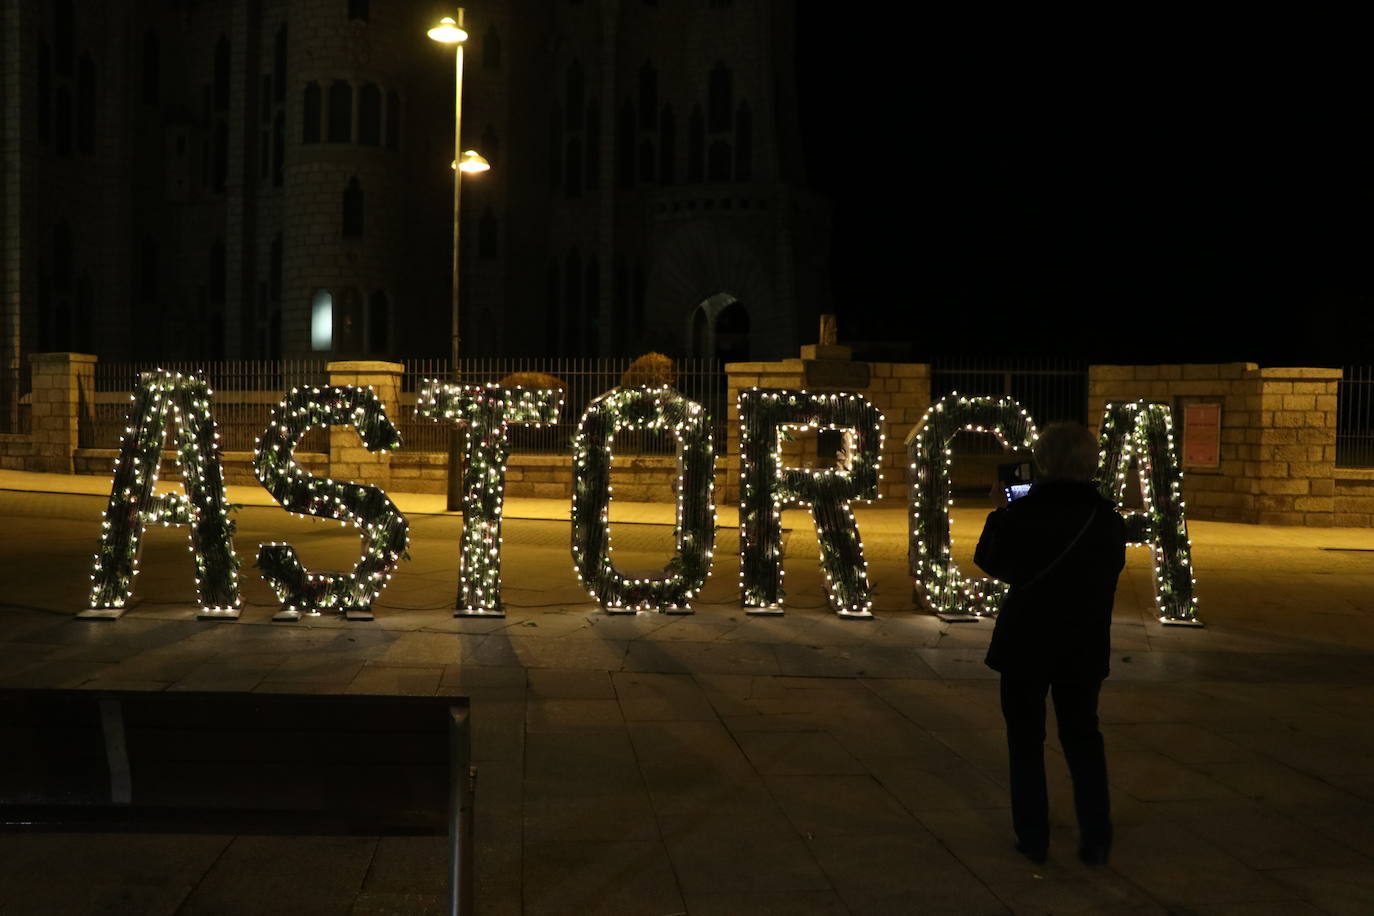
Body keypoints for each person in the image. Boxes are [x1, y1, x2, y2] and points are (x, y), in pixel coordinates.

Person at [974, 421, 1126, 867]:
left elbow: (993, 561)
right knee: (1083, 737)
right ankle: (1096, 837)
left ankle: (1033, 836)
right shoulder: (1107, 518)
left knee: (1025, 740)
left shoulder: (1025, 513)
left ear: (1042, 462)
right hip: (1083, 645)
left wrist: (1000, 513)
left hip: (1027, 643)